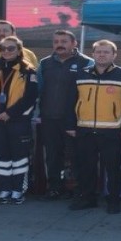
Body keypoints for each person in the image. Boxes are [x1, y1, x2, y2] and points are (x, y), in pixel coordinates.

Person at [67, 39, 121, 214]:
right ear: (93, 54)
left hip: (112, 131)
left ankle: (114, 201)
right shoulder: (81, 74)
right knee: (86, 167)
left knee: (112, 168)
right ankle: (87, 198)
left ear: (114, 55)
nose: (102, 55)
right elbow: (71, 101)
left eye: (106, 52)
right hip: (84, 129)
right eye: (98, 52)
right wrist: (70, 125)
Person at [37, 29, 92, 199]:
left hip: (75, 120)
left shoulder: (87, 63)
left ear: (74, 43)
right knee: (53, 156)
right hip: (49, 118)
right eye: (56, 41)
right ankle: (55, 187)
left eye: (64, 41)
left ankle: (78, 189)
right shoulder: (45, 63)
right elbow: (38, 90)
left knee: (76, 155)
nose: (59, 44)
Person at [0, 35, 39, 205]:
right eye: (3, 48)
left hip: (18, 121)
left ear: (19, 50)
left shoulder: (28, 71)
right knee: (2, 156)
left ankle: (18, 190)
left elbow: (30, 97)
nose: (7, 51)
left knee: (19, 157)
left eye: (11, 48)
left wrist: (9, 113)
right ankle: (4, 189)